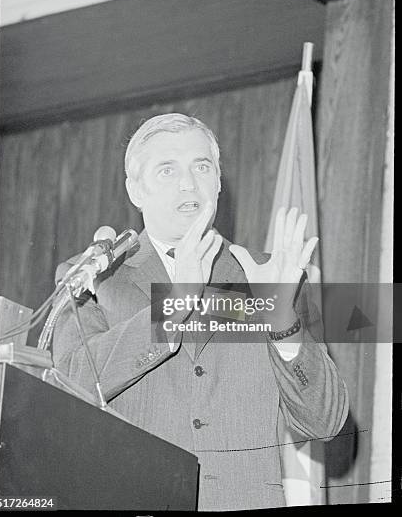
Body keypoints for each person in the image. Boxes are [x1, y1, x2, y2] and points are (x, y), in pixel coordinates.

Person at [52, 113, 349, 511]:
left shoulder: (268, 275)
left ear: (219, 183)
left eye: (202, 166)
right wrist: (176, 302)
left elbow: (324, 420)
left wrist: (280, 318)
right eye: (167, 169)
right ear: (135, 190)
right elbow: (73, 387)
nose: (188, 183)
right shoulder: (94, 276)